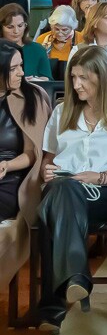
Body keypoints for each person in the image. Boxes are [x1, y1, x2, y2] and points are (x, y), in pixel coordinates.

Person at [36, 46, 107, 333]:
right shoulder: (62, 111)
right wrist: (46, 171)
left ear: (102, 77)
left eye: (83, 77)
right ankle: (76, 277)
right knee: (60, 193)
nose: (76, 84)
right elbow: (48, 159)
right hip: (65, 186)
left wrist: (101, 177)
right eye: (73, 77)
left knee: (53, 208)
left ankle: (51, 309)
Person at [0, 41, 49, 280]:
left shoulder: (33, 97)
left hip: (15, 177)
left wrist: (6, 165)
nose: (21, 72)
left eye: (21, 65)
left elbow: (34, 153)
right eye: (13, 69)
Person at [1, 4, 53, 80]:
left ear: (25, 26)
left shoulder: (38, 49)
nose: (16, 31)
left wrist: (37, 80)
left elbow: (49, 81)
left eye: (20, 26)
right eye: (10, 27)